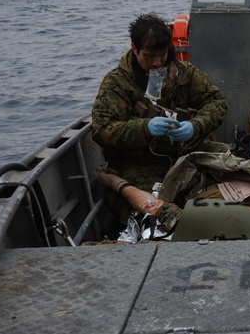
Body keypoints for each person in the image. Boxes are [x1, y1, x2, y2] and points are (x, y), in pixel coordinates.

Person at [91, 13, 227, 225]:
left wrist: (196, 125)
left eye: (162, 55)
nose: (157, 63)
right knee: (149, 217)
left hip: (187, 156)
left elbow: (217, 103)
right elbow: (102, 130)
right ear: (134, 48)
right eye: (149, 56)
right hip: (139, 165)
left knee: (233, 183)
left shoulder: (185, 74)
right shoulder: (116, 83)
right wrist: (145, 128)